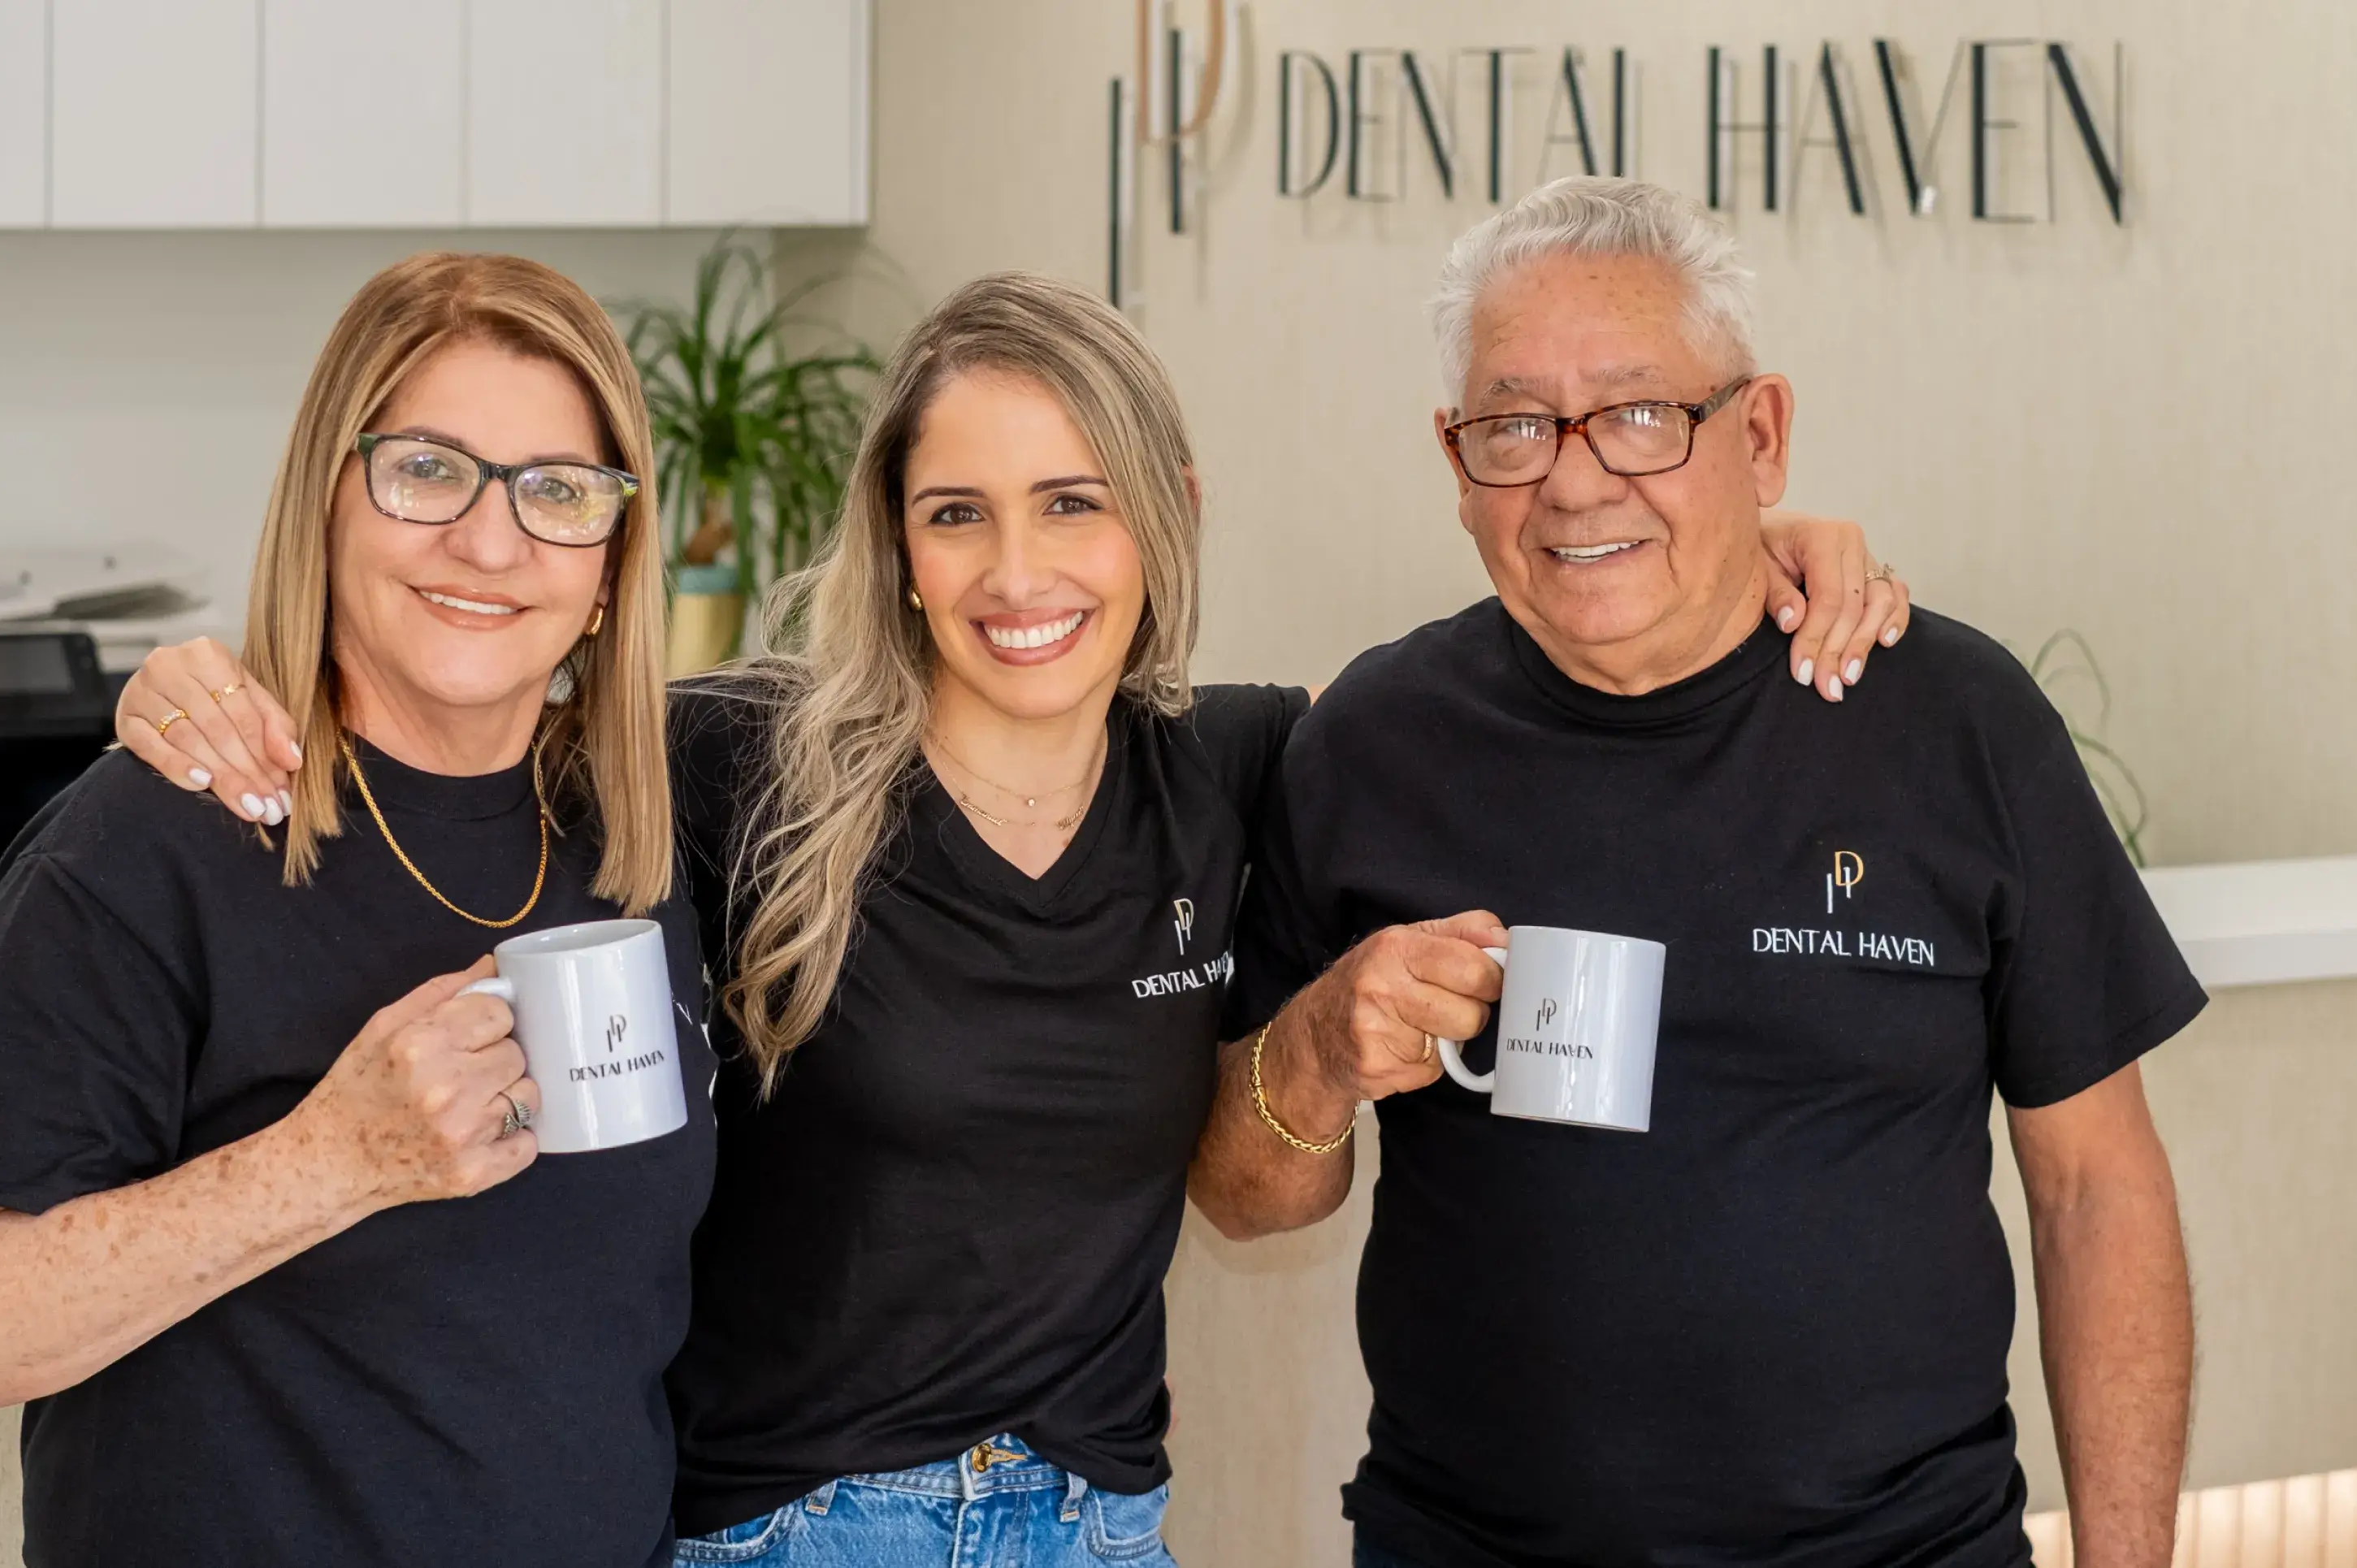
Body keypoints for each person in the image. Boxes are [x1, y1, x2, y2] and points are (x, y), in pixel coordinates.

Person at [112, 273, 1902, 1566]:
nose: (1018, 573)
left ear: (1163, 519)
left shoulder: (1248, 763)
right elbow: (454, 686)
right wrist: (200, 677)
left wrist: (1777, 546)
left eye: (1072, 504)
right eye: (957, 513)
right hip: (790, 1531)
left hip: (1102, 1522)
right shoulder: (726, 764)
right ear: (897, 543)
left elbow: (1549, 654)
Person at [1206, 177, 2203, 1568]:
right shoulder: (1371, 742)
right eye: (1513, 424)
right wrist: (1318, 1046)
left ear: (1762, 433)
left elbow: (2099, 1186)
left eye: (1638, 414)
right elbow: (1247, 1196)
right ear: (1455, 459)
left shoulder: (1954, 723)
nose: (1572, 476)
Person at [0, 253, 716, 1568]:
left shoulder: (646, 841)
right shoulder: (154, 841)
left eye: (559, 492)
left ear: (609, 564)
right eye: (427, 469)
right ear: (328, 500)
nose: (491, 540)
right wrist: (332, 1160)